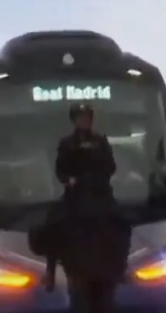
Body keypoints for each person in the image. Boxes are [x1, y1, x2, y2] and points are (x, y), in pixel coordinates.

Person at [44, 102, 118, 293]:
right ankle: (50, 271)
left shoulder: (101, 142)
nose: (84, 120)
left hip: (99, 192)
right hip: (75, 194)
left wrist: (97, 178)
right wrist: (68, 180)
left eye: (87, 117)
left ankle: (119, 267)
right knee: (52, 222)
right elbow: (60, 169)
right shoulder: (66, 143)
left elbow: (111, 167)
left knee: (120, 222)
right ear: (75, 120)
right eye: (80, 117)